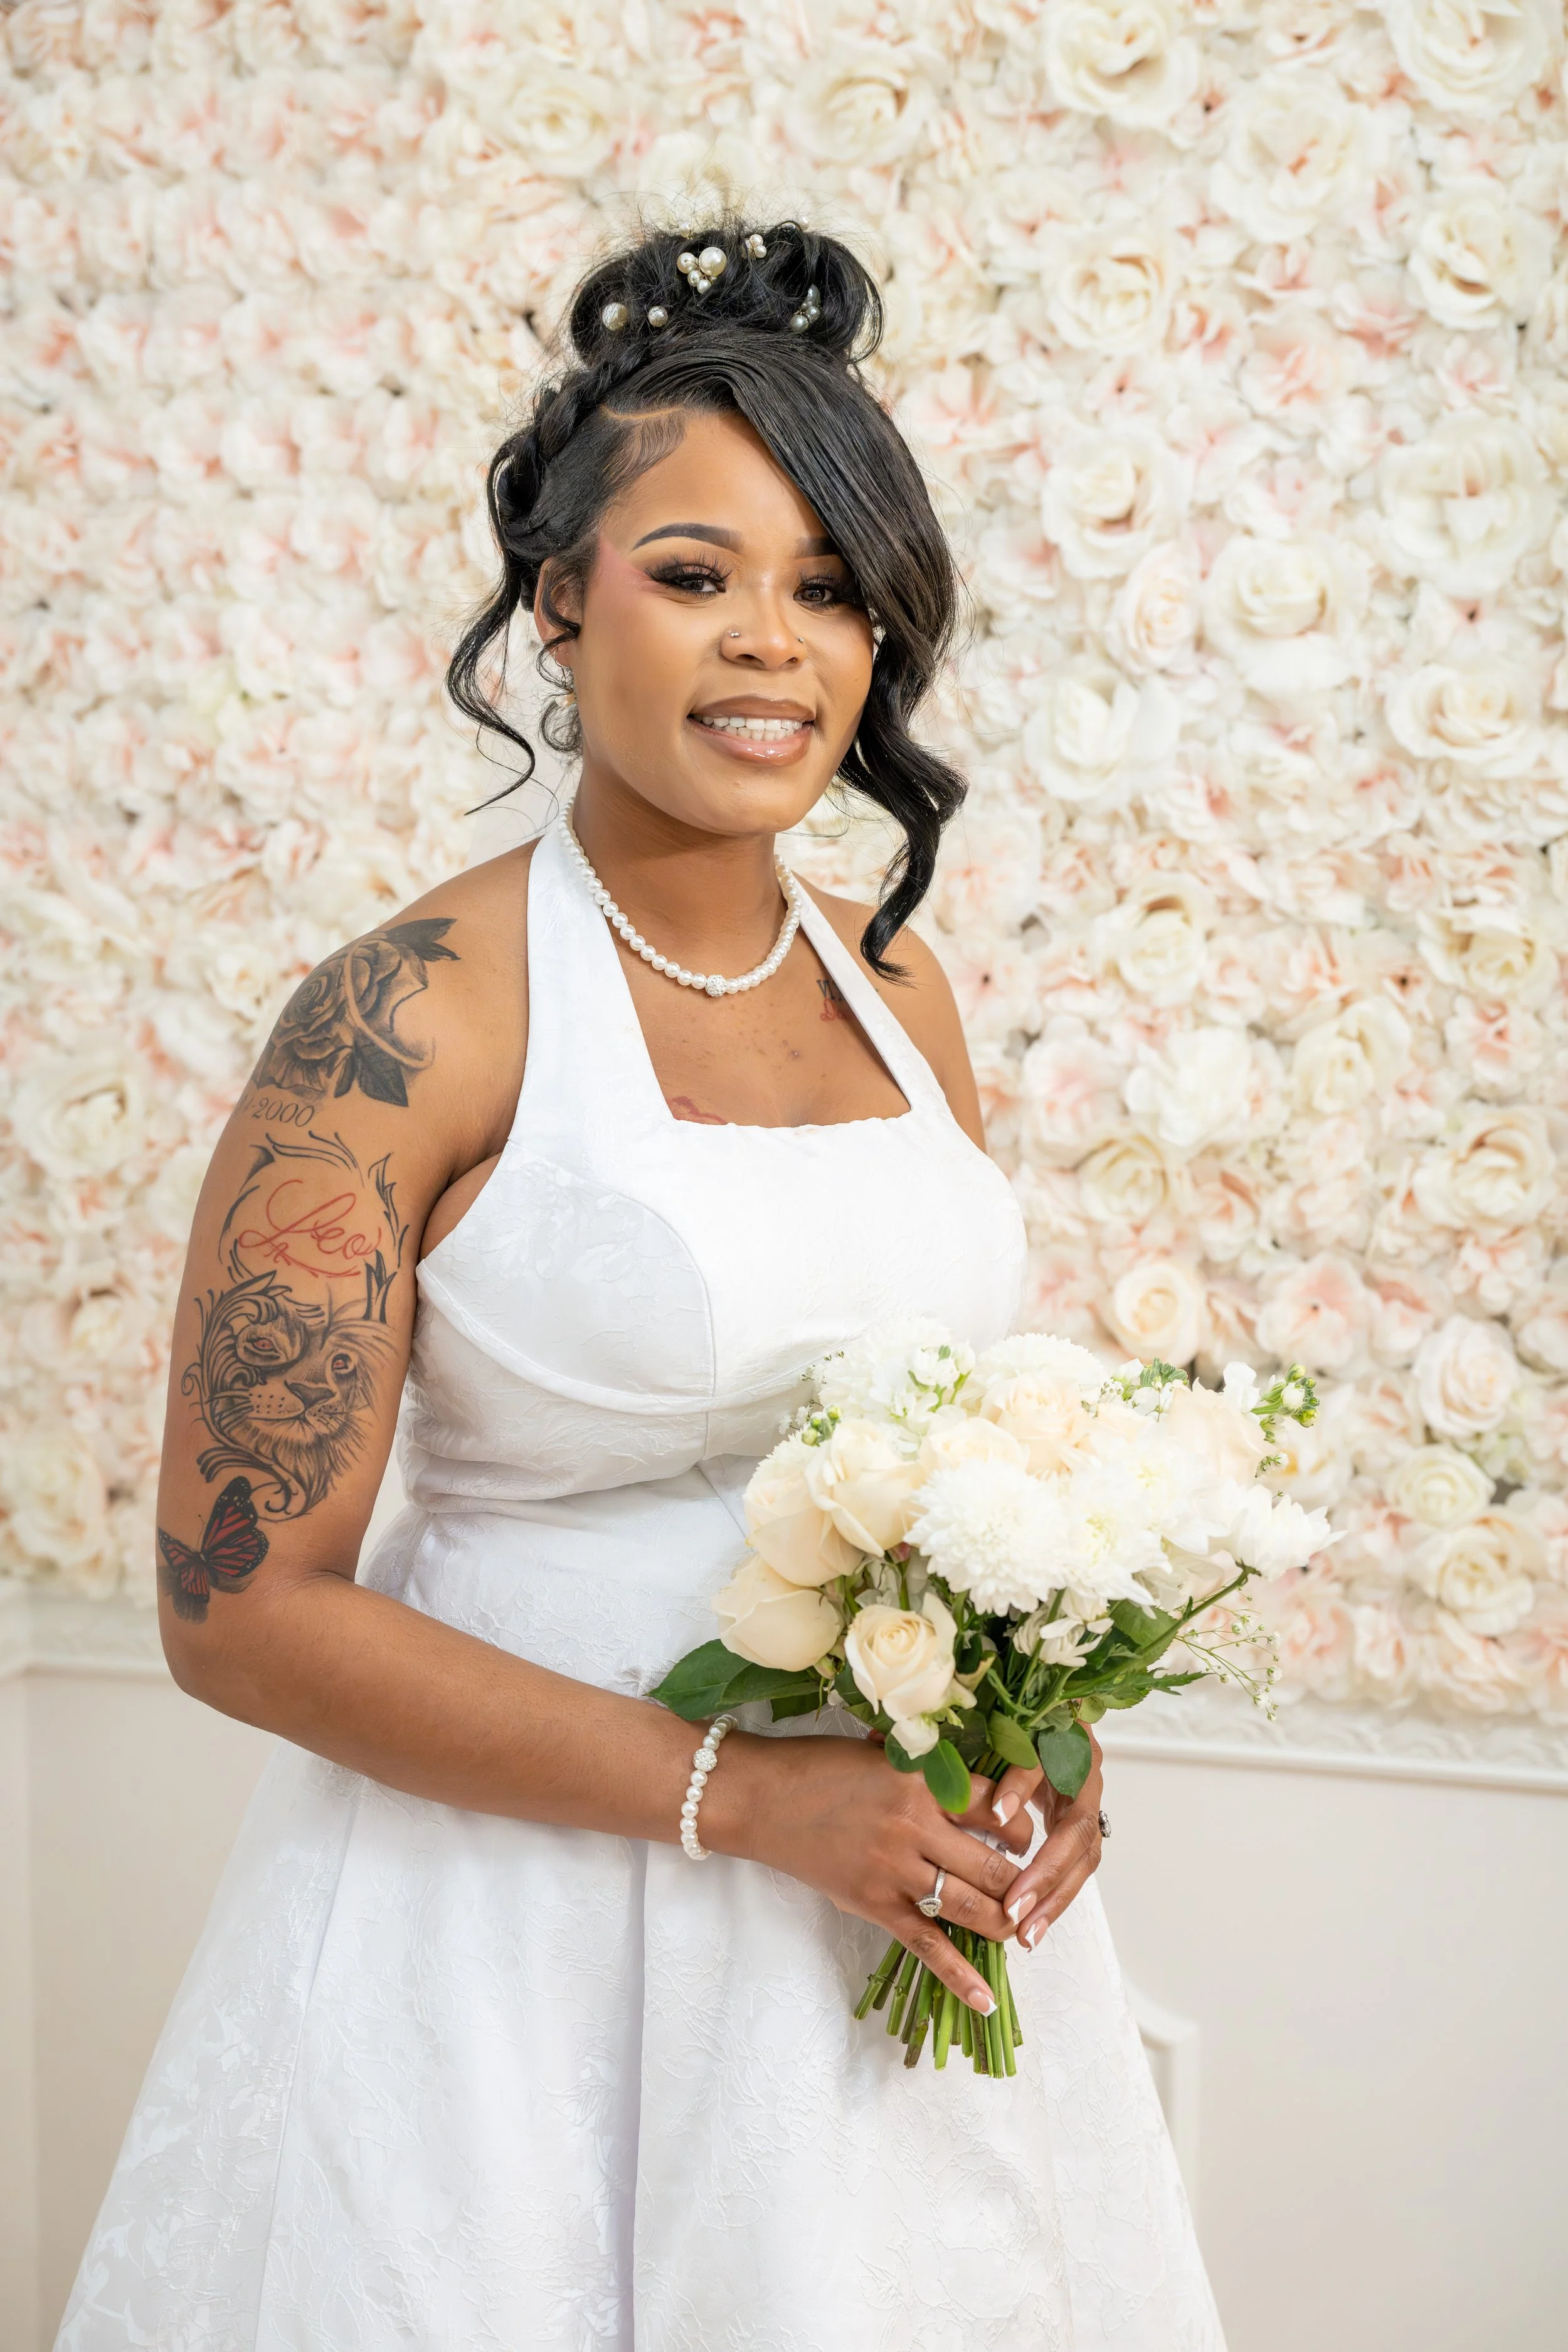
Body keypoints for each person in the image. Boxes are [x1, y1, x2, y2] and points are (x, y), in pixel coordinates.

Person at [58, 221, 1224, 2350]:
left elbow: (945, 1453)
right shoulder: (400, 1023)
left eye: (829, 587)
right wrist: (741, 1795)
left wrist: (1036, 1723)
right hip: (505, 1943)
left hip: (881, 1920)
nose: (770, 646)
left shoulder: (897, 989)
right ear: (559, 602)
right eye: (696, 573)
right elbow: (234, 1605)